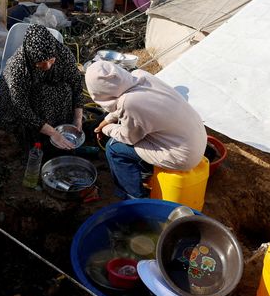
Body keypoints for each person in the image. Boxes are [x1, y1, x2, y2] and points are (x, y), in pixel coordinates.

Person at [85, 60, 207, 199]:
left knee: (114, 148)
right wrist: (106, 120)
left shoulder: (129, 103)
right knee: (139, 135)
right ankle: (145, 170)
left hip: (183, 156)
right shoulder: (140, 76)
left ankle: (132, 195)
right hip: (196, 138)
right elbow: (126, 107)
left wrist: (107, 129)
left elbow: (129, 138)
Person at [0, 24, 84, 149]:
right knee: (41, 98)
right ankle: (38, 137)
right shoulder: (18, 67)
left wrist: (77, 119)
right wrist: (52, 132)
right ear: (30, 57)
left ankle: (59, 128)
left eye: (51, 61)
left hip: (45, 89)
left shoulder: (63, 54)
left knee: (66, 91)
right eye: (41, 63)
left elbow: (76, 85)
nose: (48, 67)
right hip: (16, 99)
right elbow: (20, 107)